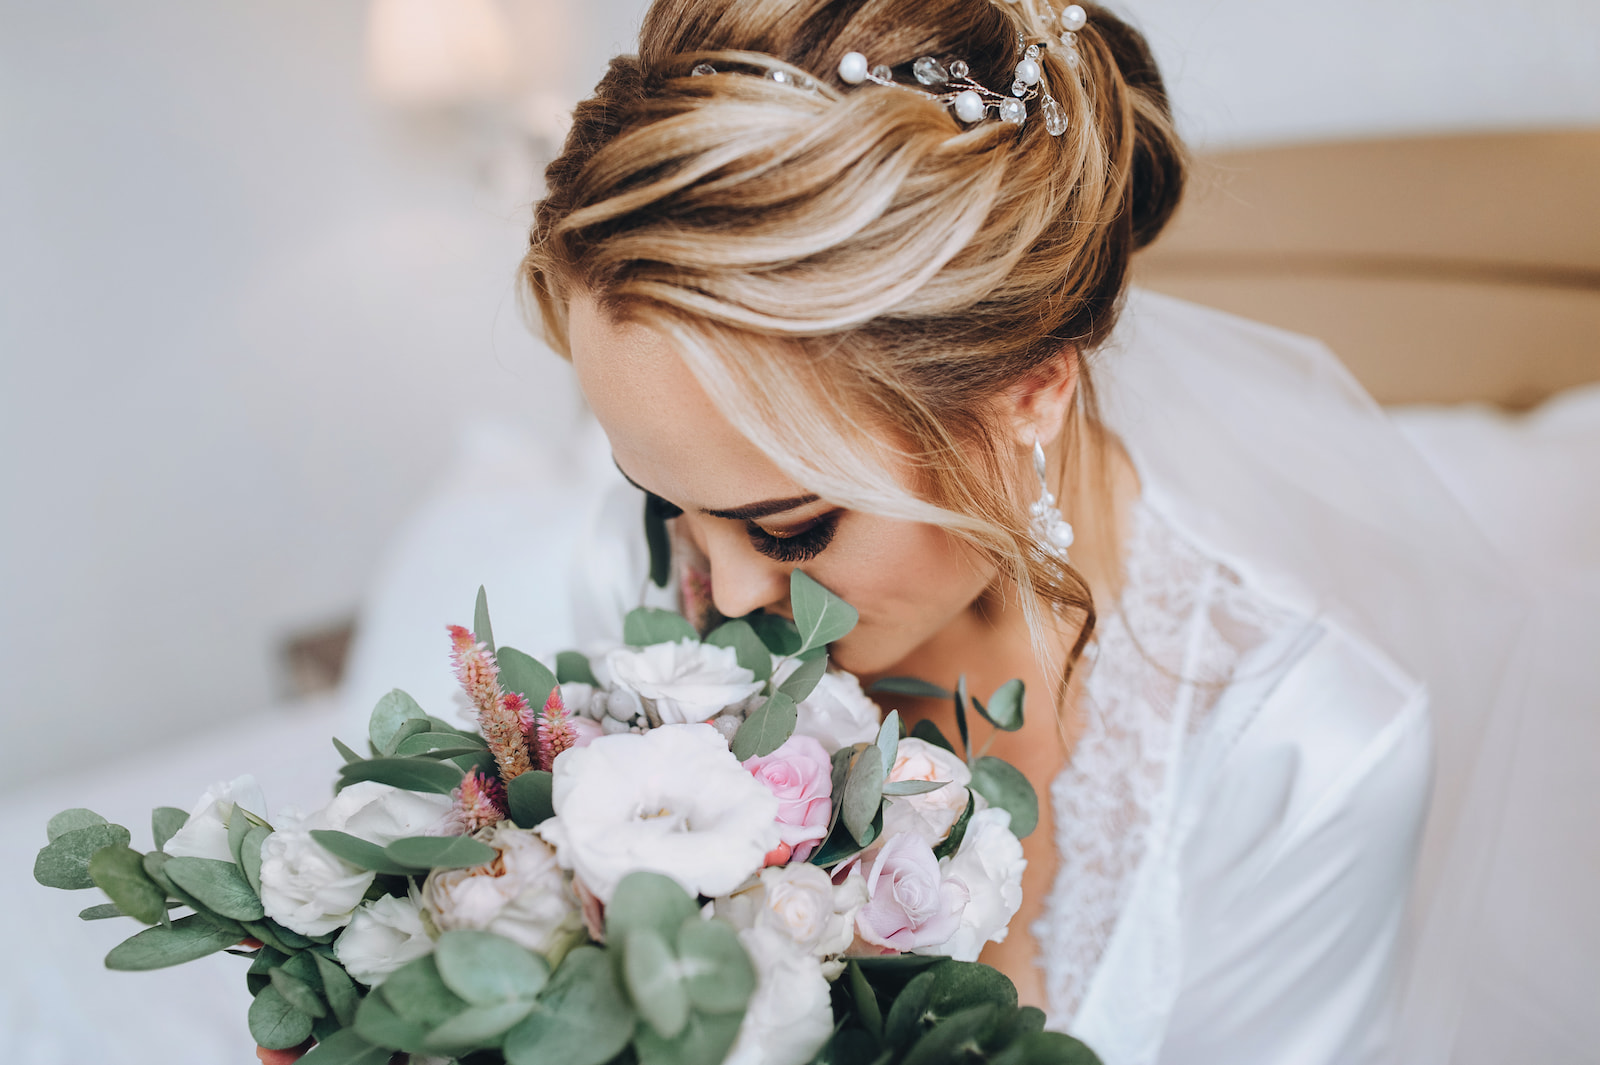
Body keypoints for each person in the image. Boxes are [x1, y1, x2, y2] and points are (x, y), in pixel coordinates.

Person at [260, 1, 1520, 1062]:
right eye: (664, 500)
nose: (719, 591)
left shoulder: (1303, 748)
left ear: (1028, 386)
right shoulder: (636, 569)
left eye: (792, 524)